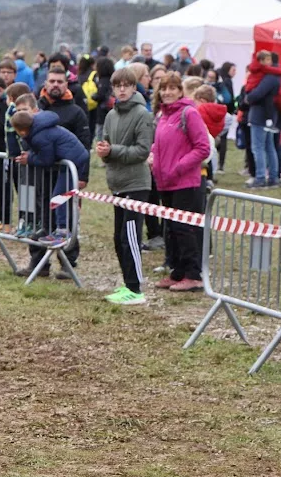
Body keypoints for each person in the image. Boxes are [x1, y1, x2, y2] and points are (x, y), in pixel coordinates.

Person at [96, 69, 156, 305]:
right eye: (118, 85)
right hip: (117, 183)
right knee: (118, 237)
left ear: (134, 88)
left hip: (136, 183)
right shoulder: (111, 115)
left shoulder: (142, 114)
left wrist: (113, 151)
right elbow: (108, 143)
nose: (122, 89)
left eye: (126, 85)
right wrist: (104, 151)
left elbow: (143, 150)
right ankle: (127, 283)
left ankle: (136, 289)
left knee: (130, 236)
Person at [150, 73, 210, 293]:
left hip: (185, 181)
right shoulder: (162, 116)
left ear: (180, 91)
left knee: (185, 229)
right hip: (165, 182)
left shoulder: (189, 113)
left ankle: (193, 274)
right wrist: (153, 158)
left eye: (172, 88)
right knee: (172, 230)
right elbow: (159, 144)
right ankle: (177, 272)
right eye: (163, 88)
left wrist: (179, 167)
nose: (167, 92)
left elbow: (202, 147)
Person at [11, 107, 89, 249]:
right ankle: (58, 229)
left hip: (75, 161)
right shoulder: (39, 128)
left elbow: (46, 159)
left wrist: (29, 159)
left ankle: (63, 231)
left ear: (22, 131)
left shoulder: (40, 136)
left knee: (59, 196)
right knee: (57, 196)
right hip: (70, 160)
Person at [244, 50, 281, 188]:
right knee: (269, 147)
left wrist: (248, 98)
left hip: (260, 116)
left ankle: (261, 178)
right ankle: (273, 177)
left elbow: (257, 94)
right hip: (269, 116)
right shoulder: (274, 75)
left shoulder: (269, 76)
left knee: (258, 148)